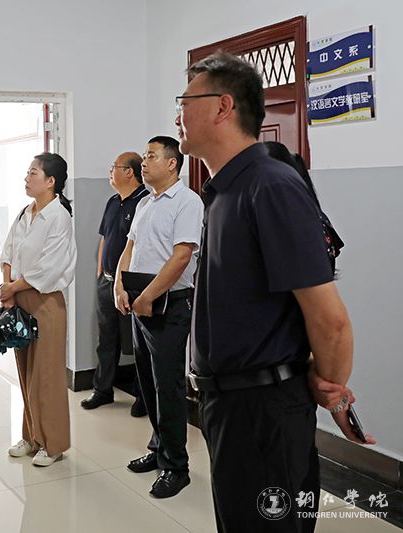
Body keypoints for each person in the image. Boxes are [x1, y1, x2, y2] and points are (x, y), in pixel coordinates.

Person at [177, 53, 374, 532]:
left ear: (223, 107)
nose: (177, 114)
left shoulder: (269, 185)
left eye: (185, 102)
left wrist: (330, 384)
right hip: (231, 405)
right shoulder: (224, 190)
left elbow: (330, 319)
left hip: (263, 410)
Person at [113, 137, 203, 499]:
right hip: (139, 301)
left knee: (168, 386)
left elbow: (182, 256)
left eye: (151, 156)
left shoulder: (187, 202)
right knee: (147, 383)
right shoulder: (146, 202)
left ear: (171, 163)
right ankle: (158, 448)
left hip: (168, 303)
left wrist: (149, 296)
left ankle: (176, 467)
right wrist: (120, 286)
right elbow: (130, 248)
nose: (144, 162)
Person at [0, 153, 77, 467]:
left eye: (33, 173)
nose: (27, 177)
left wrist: (13, 288)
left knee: (47, 375)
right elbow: (8, 252)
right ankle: (32, 436)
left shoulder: (59, 217)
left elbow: (50, 267)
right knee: (26, 371)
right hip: (18, 298)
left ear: (50, 181)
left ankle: (53, 444)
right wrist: (7, 288)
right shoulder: (25, 212)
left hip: (45, 303)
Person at [81, 152, 149, 417]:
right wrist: (100, 272)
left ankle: (142, 395)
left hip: (132, 285)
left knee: (138, 343)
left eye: (115, 167)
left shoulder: (144, 202)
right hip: (107, 282)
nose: (110, 171)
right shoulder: (112, 202)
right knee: (106, 339)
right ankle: (103, 390)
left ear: (129, 172)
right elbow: (104, 238)